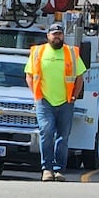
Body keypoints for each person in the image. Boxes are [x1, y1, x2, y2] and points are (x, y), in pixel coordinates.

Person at [24, 20, 84, 182]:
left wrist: (74, 96)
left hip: (66, 102)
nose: (57, 37)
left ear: (63, 36)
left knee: (63, 137)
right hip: (45, 102)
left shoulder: (71, 53)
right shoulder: (38, 52)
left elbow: (79, 77)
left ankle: (58, 170)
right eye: (54, 34)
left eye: (60, 34)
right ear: (48, 36)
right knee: (46, 132)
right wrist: (36, 94)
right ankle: (47, 169)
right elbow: (29, 75)